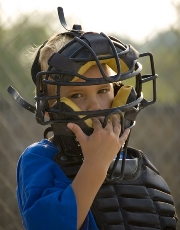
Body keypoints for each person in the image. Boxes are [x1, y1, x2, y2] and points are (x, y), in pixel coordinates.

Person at [9, 7, 177, 230]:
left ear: (118, 94)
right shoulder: (41, 158)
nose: (95, 107)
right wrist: (95, 164)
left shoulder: (140, 164)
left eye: (102, 91)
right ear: (49, 107)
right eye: (76, 95)